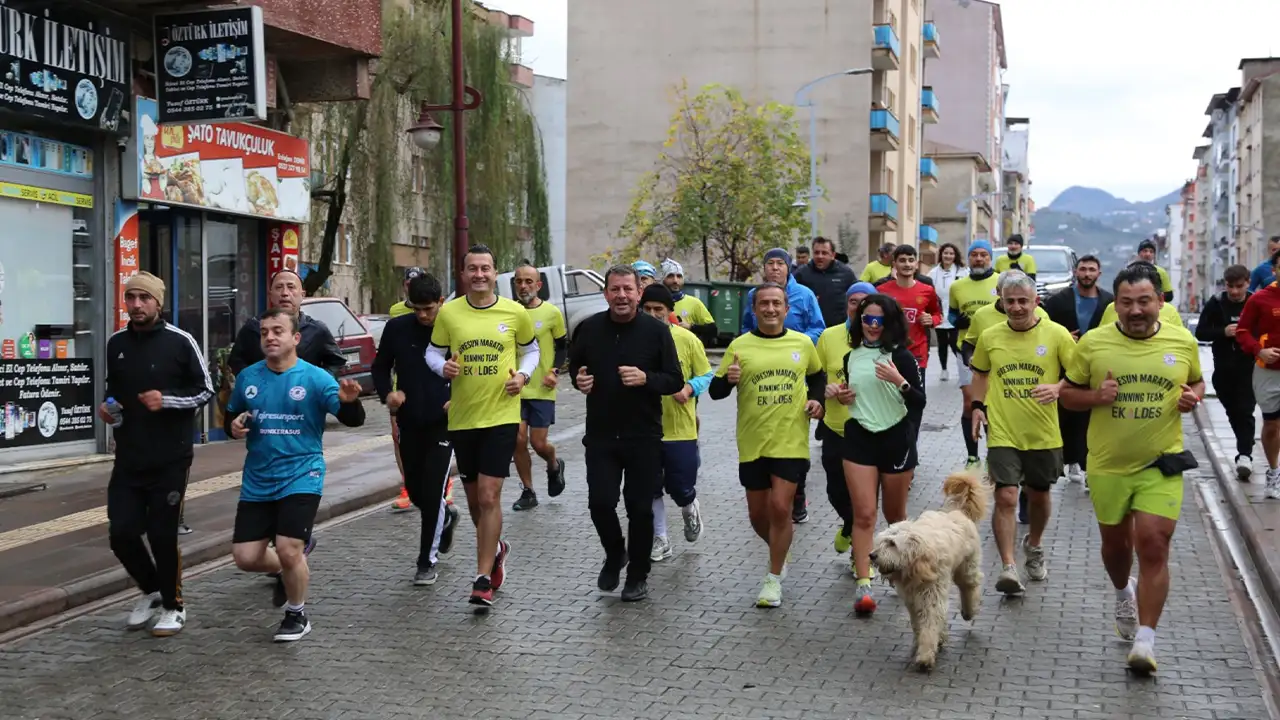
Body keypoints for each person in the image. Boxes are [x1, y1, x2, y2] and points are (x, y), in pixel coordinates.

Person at [1061, 263, 1204, 674]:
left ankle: (1145, 640)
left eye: (1144, 302)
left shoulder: (1182, 341)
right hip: (1108, 465)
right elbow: (1067, 395)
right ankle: (1124, 590)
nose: (1136, 310)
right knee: (1116, 548)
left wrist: (1191, 397)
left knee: (1154, 544)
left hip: (1161, 462)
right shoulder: (1093, 344)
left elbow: (1195, 383)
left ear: (1160, 301)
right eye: (1127, 303)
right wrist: (1095, 397)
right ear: (1116, 305)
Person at [227, 308, 366, 642]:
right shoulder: (249, 377)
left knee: (290, 548)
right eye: (264, 332)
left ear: (295, 338)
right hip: (258, 478)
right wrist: (233, 427)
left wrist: (349, 403)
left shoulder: (315, 378)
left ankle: (296, 613)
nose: (270, 337)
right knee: (245, 558)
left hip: (303, 473)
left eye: (278, 331)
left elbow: (354, 420)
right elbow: (233, 416)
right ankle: (284, 567)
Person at [426, 244, 540, 608]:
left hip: (502, 415)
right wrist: (441, 368)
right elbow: (432, 351)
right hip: (463, 417)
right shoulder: (449, 314)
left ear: (495, 273)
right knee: (475, 502)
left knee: (490, 496)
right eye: (472, 269)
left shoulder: (514, 311)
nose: (479, 274)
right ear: (463, 274)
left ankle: (481, 579)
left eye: (485, 268)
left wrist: (522, 375)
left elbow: (532, 350)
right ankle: (497, 549)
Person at [102, 272, 214, 637]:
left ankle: (174, 604)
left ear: (157, 303)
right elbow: (113, 392)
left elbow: (205, 390)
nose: (136, 305)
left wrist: (165, 400)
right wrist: (110, 410)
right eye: (130, 297)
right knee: (121, 533)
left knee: (162, 534)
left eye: (143, 298)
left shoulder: (180, 342)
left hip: (170, 457)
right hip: (130, 456)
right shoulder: (116, 343)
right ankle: (151, 590)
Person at [570, 265, 684, 602]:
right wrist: (580, 380)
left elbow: (674, 379)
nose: (621, 296)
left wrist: (646, 378)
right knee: (600, 503)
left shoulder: (656, 331)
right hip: (602, 435)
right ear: (605, 293)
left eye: (628, 290)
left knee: (639, 509)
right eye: (615, 289)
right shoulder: (589, 329)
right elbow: (577, 367)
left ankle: (637, 575)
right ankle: (615, 552)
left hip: (643, 436)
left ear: (638, 294)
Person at [710, 283, 825, 608]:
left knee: (780, 507)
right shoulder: (739, 346)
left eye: (777, 303)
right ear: (755, 309)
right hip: (752, 441)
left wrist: (817, 401)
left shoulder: (802, 343)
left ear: (787, 309)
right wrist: (727, 380)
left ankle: (773, 578)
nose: (771, 309)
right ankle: (779, 552)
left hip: (791, 439)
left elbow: (817, 377)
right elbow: (716, 392)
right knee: (757, 515)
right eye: (764, 304)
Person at [969, 272, 1075, 596]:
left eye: (1022, 301)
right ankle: (1008, 567)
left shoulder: (1056, 335)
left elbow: (1078, 376)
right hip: (1002, 430)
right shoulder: (989, 336)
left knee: (1039, 495)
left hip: (1043, 432)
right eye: (1010, 301)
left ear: (1035, 302)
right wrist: (976, 405)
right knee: (1006, 496)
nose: (1016, 307)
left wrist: (1058, 387)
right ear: (1001, 301)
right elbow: (981, 373)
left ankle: (1035, 544)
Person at [836, 293, 926, 615]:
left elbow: (919, 401)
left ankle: (905, 575)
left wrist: (899, 381)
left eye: (878, 321)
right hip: (860, 437)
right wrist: (842, 395)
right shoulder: (852, 356)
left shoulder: (901, 356)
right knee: (863, 515)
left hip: (896, 439)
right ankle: (864, 586)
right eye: (866, 320)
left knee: (895, 517)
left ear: (889, 322)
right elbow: (853, 396)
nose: (872, 326)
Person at [372, 273, 459, 585]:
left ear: (441, 303)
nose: (422, 315)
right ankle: (446, 517)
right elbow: (380, 367)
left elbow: (472, 371)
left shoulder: (454, 329)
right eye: (416, 308)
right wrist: (388, 395)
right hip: (409, 420)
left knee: (433, 491)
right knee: (418, 490)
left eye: (428, 309)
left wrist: (458, 398)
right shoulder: (397, 328)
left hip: (444, 422)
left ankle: (426, 560)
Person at [741, 248, 825, 524]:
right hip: (761, 376)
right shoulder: (754, 296)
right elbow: (744, 329)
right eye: (770, 264)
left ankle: (797, 494)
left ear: (789, 268)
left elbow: (818, 327)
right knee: (766, 432)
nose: (775, 268)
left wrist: (794, 341)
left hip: (794, 370)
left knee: (793, 437)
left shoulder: (805, 295)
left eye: (780, 263)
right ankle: (768, 489)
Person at [640, 284, 713, 562]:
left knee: (680, 487)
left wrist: (690, 388)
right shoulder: (634, 339)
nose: (653, 314)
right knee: (650, 486)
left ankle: (689, 506)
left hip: (680, 427)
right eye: (647, 309)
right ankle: (661, 538)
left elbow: (707, 374)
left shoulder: (687, 339)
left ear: (670, 311)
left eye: (659, 309)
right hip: (645, 427)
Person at [816, 282, 876, 572]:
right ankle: (850, 525)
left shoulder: (881, 337)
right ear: (847, 305)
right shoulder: (828, 337)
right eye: (854, 301)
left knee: (864, 497)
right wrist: (823, 392)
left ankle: (860, 557)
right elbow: (815, 376)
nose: (859, 306)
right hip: (835, 427)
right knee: (835, 491)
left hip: (870, 430)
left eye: (865, 301)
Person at [1042, 255, 1112, 492]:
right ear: (1075, 272)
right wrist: (1063, 337)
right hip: (1064, 368)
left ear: (1099, 274)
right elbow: (1043, 327)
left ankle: (1088, 465)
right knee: (1067, 417)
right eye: (1083, 269)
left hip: (1096, 368)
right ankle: (1071, 460)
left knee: (1091, 418)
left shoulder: (1109, 303)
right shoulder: (1057, 301)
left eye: (1092, 270)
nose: (1087, 274)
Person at [510, 263, 569, 511]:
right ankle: (528, 490)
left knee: (539, 443)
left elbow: (563, 346)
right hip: (514, 387)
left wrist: (554, 371)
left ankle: (554, 463)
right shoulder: (509, 312)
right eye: (519, 281)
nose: (523, 286)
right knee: (518, 440)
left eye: (528, 281)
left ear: (538, 285)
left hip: (542, 388)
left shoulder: (551, 313)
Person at [227, 269, 346, 376]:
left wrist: (317, 383)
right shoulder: (253, 327)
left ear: (302, 295)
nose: (285, 293)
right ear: (270, 295)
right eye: (279, 287)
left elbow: (336, 362)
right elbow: (236, 362)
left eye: (291, 287)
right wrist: (253, 382)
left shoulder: (317, 330)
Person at [1197, 265, 1255, 481]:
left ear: (1248, 283)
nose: (1234, 292)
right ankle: (1246, 445)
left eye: (1239, 287)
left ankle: (1245, 455)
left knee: (1245, 409)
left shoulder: (1254, 302)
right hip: (1222, 369)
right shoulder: (1216, 303)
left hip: (1249, 367)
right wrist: (1223, 332)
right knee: (1234, 412)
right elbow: (1201, 331)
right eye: (1230, 286)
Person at [949, 240, 999, 468]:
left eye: (983, 255)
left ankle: (993, 452)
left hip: (995, 352)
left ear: (990, 258)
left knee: (991, 403)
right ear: (968, 258)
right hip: (966, 349)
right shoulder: (957, 286)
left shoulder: (1000, 281)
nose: (979, 259)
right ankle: (972, 455)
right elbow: (950, 316)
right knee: (970, 402)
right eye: (974, 255)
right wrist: (956, 321)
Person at [1236, 248, 1280, 498]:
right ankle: (1273, 472)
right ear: (1274, 270)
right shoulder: (1260, 299)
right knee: (1272, 424)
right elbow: (1242, 332)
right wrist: (1259, 352)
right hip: (1268, 372)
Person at [873, 244, 942, 390]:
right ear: (894, 264)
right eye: (902, 260)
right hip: (888, 352)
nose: (907, 264)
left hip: (917, 353)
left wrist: (932, 320)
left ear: (916, 264)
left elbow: (937, 314)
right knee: (891, 398)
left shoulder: (927, 290)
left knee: (916, 397)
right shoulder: (881, 291)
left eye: (911, 260)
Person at [389, 266, 427, 512]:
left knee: (430, 436)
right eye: (409, 283)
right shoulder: (395, 311)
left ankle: (442, 485)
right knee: (397, 437)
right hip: (400, 383)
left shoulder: (435, 308)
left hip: (427, 382)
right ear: (404, 285)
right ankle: (407, 486)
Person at [794, 236, 857, 328]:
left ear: (832, 255)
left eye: (824, 253)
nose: (820, 256)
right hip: (810, 329)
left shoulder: (846, 273)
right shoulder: (801, 273)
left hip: (838, 328)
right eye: (816, 253)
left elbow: (856, 295)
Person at [927, 243, 967, 382]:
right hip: (939, 312)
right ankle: (944, 369)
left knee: (955, 342)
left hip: (955, 312)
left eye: (951, 253)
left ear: (955, 256)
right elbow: (928, 290)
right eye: (945, 253)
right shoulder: (933, 273)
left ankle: (962, 367)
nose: (948, 256)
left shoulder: (962, 272)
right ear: (941, 255)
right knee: (942, 343)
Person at [661, 258, 718, 345]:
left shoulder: (694, 303)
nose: (675, 281)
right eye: (670, 276)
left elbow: (713, 330)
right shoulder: (656, 303)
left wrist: (691, 326)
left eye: (679, 276)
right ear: (663, 279)